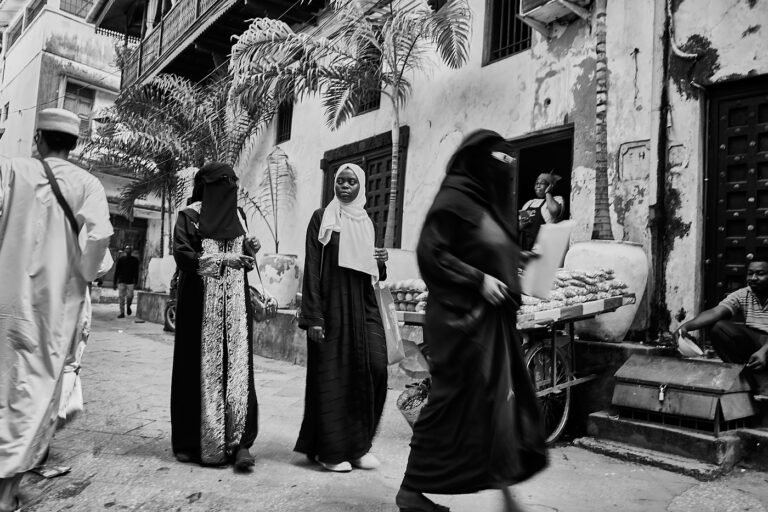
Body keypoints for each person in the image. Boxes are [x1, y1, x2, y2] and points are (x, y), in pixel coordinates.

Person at [396, 130, 547, 512]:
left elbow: (488, 251)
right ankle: (411, 490)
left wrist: (522, 263)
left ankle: (508, 493)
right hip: (460, 322)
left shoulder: (486, 205)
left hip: (489, 325)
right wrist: (478, 279)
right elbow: (433, 254)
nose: (504, 171)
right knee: (453, 403)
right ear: (476, 162)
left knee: (497, 403)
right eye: (497, 161)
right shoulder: (453, 200)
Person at [0, 108, 113, 512]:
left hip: (6, 298)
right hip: (54, 308)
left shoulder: (12, 170)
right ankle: (7, 490)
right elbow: (98, 239)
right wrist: (84, 273)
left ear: (39, 139)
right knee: (34, 393)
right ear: (74, 144)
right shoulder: (88, 185)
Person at [296, 162, 389, 473]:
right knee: (335, 377)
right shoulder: (322, 219)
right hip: (331, 307)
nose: (344, 187)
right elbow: (311, 268)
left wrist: (382, 262)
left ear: (360, 186)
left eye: (351, 182)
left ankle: (359, 446)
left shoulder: (367, 221)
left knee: (375, 368)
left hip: (364, 306)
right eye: (340, 181)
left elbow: (372, 273)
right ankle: (331, 451)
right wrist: (314, 317)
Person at [171, 162, 261, 471]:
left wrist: (249, 250)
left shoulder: (239, 216)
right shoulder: (189, 217)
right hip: (199, 307)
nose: (230, 188)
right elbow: (183, 255)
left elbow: (244, 261)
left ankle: (241, 443)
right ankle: (191, 441)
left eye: (233, 183)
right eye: (224, 183)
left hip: (235, 307)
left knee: (238, 370)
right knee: (194, 368)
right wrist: (224, 260)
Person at [678, 260, 768, 388]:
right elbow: (716, 312)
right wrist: (686, 327)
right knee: (720, 329)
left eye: (760, 274)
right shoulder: (744, 294)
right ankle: (743, 377)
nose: (753, 278)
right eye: (750, 273)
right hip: (757, 341)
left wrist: (765, 351)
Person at [519, 172, 565, 251]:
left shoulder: (557, 199)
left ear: (550, 186)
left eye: (542, 183)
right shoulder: (529, 203)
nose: (538, 185)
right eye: (537, 183)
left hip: (546, 248)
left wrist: (548, 192)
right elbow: (520, 226)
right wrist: (524, 222)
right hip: (528, 248)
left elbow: (554, 211)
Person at [113, 244, 140, 318]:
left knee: (130, 297)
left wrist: (136, 281)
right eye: (127, 249)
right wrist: (114, 282)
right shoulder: (121, 260)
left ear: (131, 251)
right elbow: (117, 271)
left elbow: (136, 272)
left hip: (130, 282)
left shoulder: (135, 260)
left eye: (129, 249)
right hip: (121, 281)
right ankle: (122, 312)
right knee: (121, 297)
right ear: (125, 250)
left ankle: (128, 306)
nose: (128, 250)